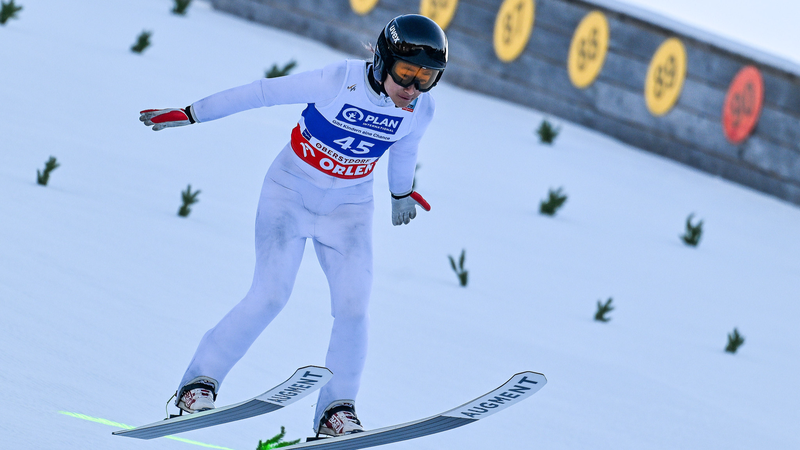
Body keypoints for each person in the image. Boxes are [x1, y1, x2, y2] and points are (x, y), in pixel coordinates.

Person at [139, 14, 448, 437]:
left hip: (349, 211)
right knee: (270, 295)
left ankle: (337, 412)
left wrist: (400, 193)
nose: (412, 88)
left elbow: (405, 149)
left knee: (354, 309)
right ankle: (198, 384)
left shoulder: (420, 109)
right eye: (405, 73)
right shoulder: (338, 80)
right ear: (380, 60)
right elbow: (262, 92)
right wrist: (193, 113)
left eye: (425, 78)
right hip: (289, 193)